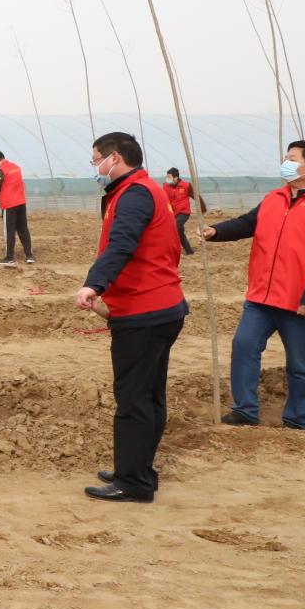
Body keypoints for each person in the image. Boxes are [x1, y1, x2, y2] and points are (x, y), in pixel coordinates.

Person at [203, 140, 305, 431]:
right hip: (262, 298)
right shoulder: (274, 198)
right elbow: (248, 223)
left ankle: (297, 420)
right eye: (286, 157)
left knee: (300, 364)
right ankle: (245, 410)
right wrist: (216, 231)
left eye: (292, 158)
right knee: (244, 347)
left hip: (300, 302)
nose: (285, 162)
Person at [73, 133, 187, 503]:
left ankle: (133, 482)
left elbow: (122, 244)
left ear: (114, 158)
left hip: (144, 311)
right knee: (149, 395)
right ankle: (137, 468)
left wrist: (94, 284)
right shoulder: (141, 189)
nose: (95, 167)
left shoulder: (135, 194)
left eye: (96, 160)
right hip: (160, 305)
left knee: (134, 399)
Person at [0, 150, 34, 266]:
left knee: (9, 231)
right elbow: (4, 175)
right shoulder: (15, 167)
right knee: (23, 229)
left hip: (9, 204)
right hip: (21, 202)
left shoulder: (1, 171)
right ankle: (29, 256)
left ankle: (9, 258)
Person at [163, 168, 205, 256]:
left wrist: (202, 208)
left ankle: (172, 249)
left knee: (176, 227)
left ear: (176, 177)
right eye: (167, 176)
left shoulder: (186, 186)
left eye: (169, 177)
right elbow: (162, 199)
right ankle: (189, 251)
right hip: (172, 213)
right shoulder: (165, 187)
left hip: (184, 212)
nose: (167, 178)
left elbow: (196, 196)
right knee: (179, 231)